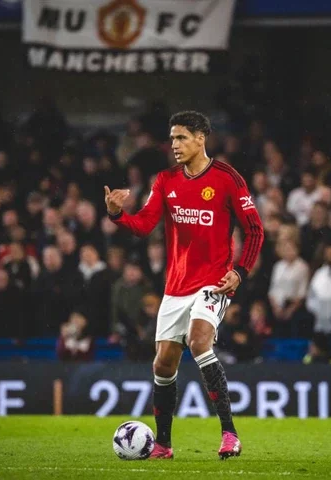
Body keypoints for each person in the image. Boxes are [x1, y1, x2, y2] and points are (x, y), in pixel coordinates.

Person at [104, 111, 264, 459]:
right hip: (176, 285)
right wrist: (118, 215)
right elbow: (145, 224)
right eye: (172, 138)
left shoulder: (227, 179)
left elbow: (255, 229)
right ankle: (162, 444)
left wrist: (240, 271)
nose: (174, 144)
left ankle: (229, 434)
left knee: (198, 340)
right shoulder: (165, 180)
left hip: (215, 281)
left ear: (201, 138)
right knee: (162, 364)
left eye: (181, 138)